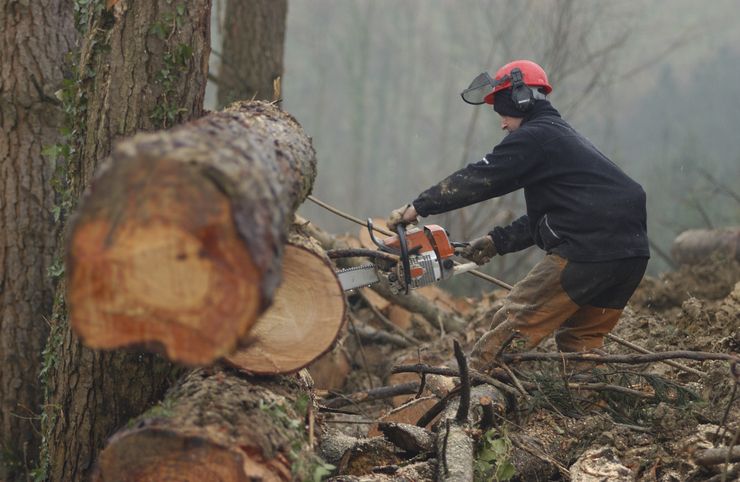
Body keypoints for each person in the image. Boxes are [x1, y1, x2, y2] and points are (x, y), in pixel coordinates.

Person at [387, 60, 650, 370]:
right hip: (630, 255)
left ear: (521, 99)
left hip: (587, 250)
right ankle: (591, 407)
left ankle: (466, 391)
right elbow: (556, 215)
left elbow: (482, 178)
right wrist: (497, 241)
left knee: (512, 321)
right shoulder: (560, 139)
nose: (502, 123)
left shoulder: (535, 137)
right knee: (581, 339)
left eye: (503, 113)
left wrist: (418, 206)